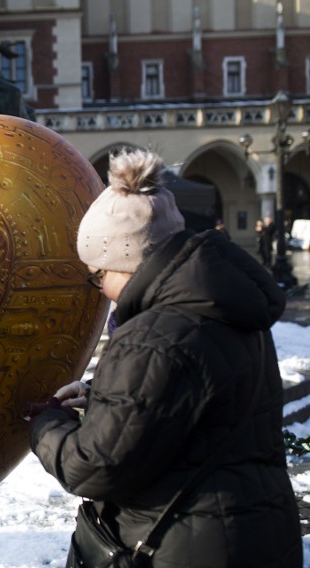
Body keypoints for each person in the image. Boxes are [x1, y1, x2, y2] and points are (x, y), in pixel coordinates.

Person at [28, 149, 302, 567]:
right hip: (253, 529)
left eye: (98, 274)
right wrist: (100, 391)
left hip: (188, 546)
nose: (99, 288)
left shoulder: (152, 336)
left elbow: (94, 466)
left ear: (126, 262)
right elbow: (197, 394)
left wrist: (47, 424)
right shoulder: (220, 302)